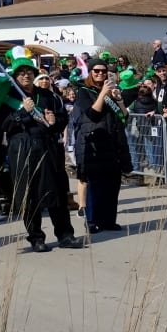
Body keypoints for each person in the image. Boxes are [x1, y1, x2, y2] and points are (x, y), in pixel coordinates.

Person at [3, 58, 80, 252]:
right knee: (30, 196)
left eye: (29, 71)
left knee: (57, 192)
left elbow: (62, 118)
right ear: (15, 76)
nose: (25, 75)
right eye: (21, 72)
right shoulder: (6, 97)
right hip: (22, 148)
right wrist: (23, 113)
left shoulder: (48, 96)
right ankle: (36, 237)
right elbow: (2, 126)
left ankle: (65, 235)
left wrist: (55, 121)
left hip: (47, 147)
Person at [74, 58, 133, 234]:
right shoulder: (84, 92)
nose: (101, 74)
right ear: (91, 72)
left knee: (112, 185)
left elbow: (124, 118)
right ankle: (91, 221)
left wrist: (119, 100)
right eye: (96, 71)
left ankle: (108, 220)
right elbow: (93, 114)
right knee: (94, 185)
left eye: (103, 71)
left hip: (113, 143)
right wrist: (102, 94)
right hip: (94, 143)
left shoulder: (111, 92)